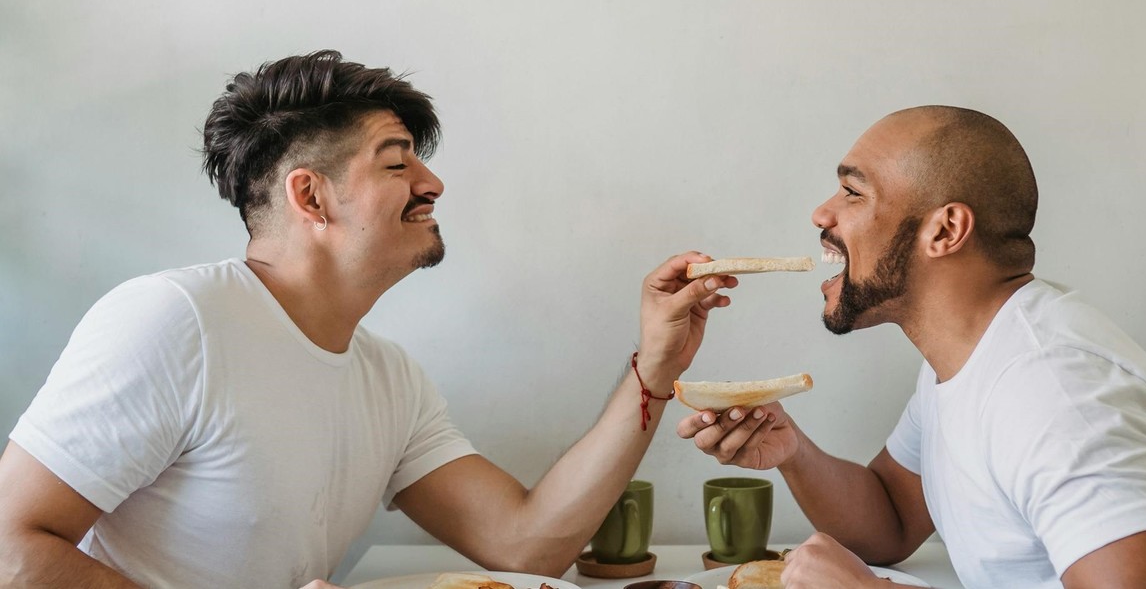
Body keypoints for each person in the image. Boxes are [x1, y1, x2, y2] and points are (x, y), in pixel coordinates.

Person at [0, 50, 738, 589]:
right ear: (311, 197)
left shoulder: (389, 379)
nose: (433, 183)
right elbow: (12, 549)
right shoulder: (175, 320)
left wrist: (654, 367)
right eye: (397, 162)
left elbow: (527, 546)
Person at [678, 106, 1146, 588]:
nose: (821, 213)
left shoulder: (1055, 394)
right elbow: (891, 522)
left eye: (853, 192)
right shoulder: (967, 357)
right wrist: (792, 451)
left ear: (945, 230)